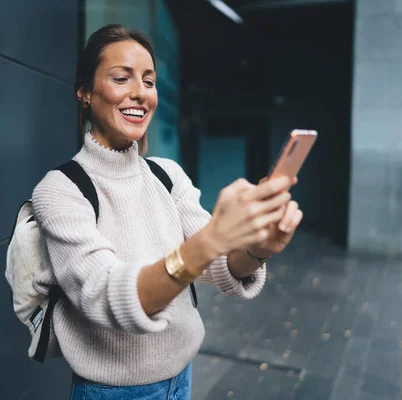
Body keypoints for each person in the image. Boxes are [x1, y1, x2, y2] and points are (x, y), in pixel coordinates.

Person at [32, 24, 303, 400]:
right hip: (114, 392)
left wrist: (258, 248)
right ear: (85, 92)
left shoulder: (167, 175)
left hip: (182, 377)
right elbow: (107, 297)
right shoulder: (60, 190)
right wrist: (209, 240)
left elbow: (222, 264)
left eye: (149, 81)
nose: (140, 93)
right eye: (121, 78)